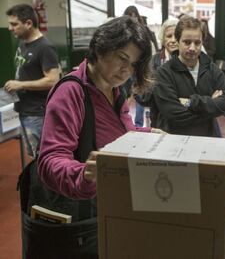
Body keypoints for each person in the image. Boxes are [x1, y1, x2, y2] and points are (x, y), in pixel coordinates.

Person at [36, 16, 161, 258]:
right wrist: (83, 173)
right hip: (81, 218)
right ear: (101, 47)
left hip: (111, 205)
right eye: (122, 58)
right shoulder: (70, 92)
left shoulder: (115, 89)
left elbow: (123, 133)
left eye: (133, 64)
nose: (126, 70)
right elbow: (50, 159)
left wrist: (150, 134)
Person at [153, 16, 225, 136]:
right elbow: (174, 114)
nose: (192, 48)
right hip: (175, 139)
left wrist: (191, 102)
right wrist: (211, 106)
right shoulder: (164, 73)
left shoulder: (212, 69)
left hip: (207, 139)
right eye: (187, 42)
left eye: (197, 43)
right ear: (178, 41)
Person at [4, 4, 61, 157]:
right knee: (33, 155)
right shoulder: (22, 43)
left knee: (43, 157)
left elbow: (52, 80)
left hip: (38, 113)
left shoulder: (45, 47)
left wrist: (20, 84)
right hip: (23, 109)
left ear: (28, 23)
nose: (10, 28)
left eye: (14, 24)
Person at [136, 19, 178, 127]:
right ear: (163, 40)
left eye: (176, 36)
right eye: (169, 36)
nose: (173, 40)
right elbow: (142, 96)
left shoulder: (189, 61)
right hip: (159, 121)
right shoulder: (153, 61)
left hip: (183, 122)